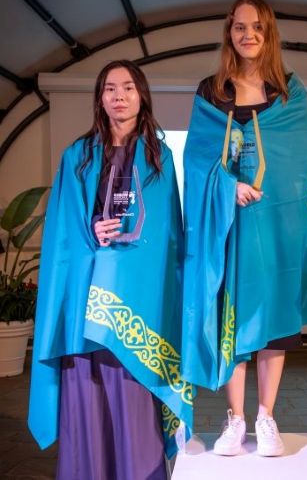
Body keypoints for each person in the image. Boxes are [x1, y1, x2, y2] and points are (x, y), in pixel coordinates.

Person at [181, 0, 307, 457]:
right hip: (228, 226)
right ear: (229, 33)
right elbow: (197, 159)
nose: (248, 35)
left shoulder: (288, 90)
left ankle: (266, 416)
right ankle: (235, 418)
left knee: (274, 320)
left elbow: (300, 163)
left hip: (275, 224)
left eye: (257, 27)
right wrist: (227, 188)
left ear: (269, 34)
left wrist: (271, 195)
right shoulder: (211, 91)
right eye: (240, 27)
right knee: (233, 318)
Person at [28, 60, 193, 479]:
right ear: (100, 99)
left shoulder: (158, 157)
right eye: (110, 89)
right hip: (85, 301)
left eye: (128, 88)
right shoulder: (77, 156)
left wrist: (130, 245)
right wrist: (91, 231)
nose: (119, 96)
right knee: (87, 401)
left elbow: (166, 232)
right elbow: (63, 228)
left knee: (132, 401)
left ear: (142, 96)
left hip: (134, 302)